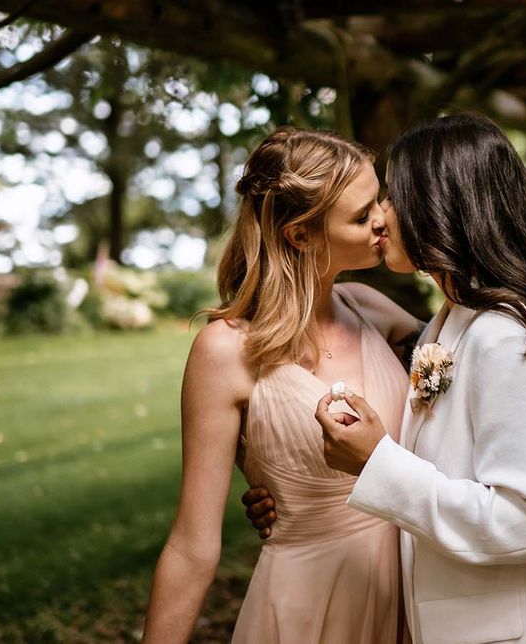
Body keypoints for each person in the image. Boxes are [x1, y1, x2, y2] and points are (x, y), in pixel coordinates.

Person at [248, 113, 526, 643]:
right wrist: (293, 491)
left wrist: (377, 463)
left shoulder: (505, 340)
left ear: (442, 207)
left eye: (392, 196)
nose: (381, 217)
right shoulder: (453, 323)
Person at [141, 126, 421, 643]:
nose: (383, 220)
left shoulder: (373, 311)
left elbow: (474, 382)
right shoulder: (224, 351)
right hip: (307, 606)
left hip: (409, 597)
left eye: (377, 200)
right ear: (300, 234)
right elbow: (191, 546)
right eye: (361, 217)